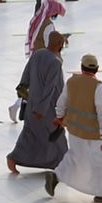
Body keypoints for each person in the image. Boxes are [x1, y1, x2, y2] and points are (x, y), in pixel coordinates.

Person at [46, 54, 102, 202]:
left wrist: (59, 117)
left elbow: (61, 102)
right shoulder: (99, 87)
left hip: (74, 129)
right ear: (97, 69)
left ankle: (56, 175)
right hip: (94, 134)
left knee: (74, 157)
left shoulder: (71, 82)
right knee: (101, 162)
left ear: (81, 67)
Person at [9, 30, 69, 174]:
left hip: (32, 103)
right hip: (47, 108)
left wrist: (24, 93)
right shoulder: (55, 62)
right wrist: (41, 110)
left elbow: (26, 76)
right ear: (59, 44)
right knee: (57, 136)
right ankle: (63, 164)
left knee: (30, 134)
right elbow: (50, 88)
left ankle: (13, 158)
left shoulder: (37, 54)